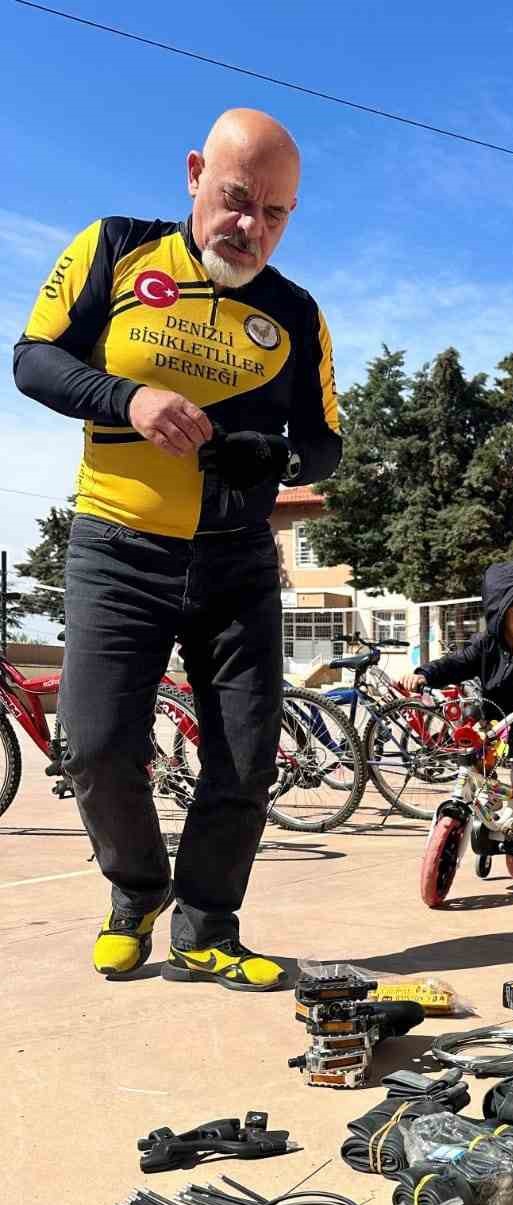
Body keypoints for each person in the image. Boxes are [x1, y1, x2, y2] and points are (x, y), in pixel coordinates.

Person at [13, 108, 341, 988]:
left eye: (276, 215)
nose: (252, 228)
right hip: (117, 544)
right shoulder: (117, 248)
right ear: (195, 173)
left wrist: (278, 455)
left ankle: (208, 927)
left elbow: (326, 444)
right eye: (238, 200)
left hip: (236, 559)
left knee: (245, 754)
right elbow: (33, 360)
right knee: (92, 744)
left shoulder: (296, 312)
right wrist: (130, 401)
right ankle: (137, 891)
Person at [397, 561, 513, 852]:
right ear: (499, 613)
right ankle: (487, 802)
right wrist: (424, 674)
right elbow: (457, 663)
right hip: (499, 722)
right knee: (471, 749)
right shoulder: (486, 643)